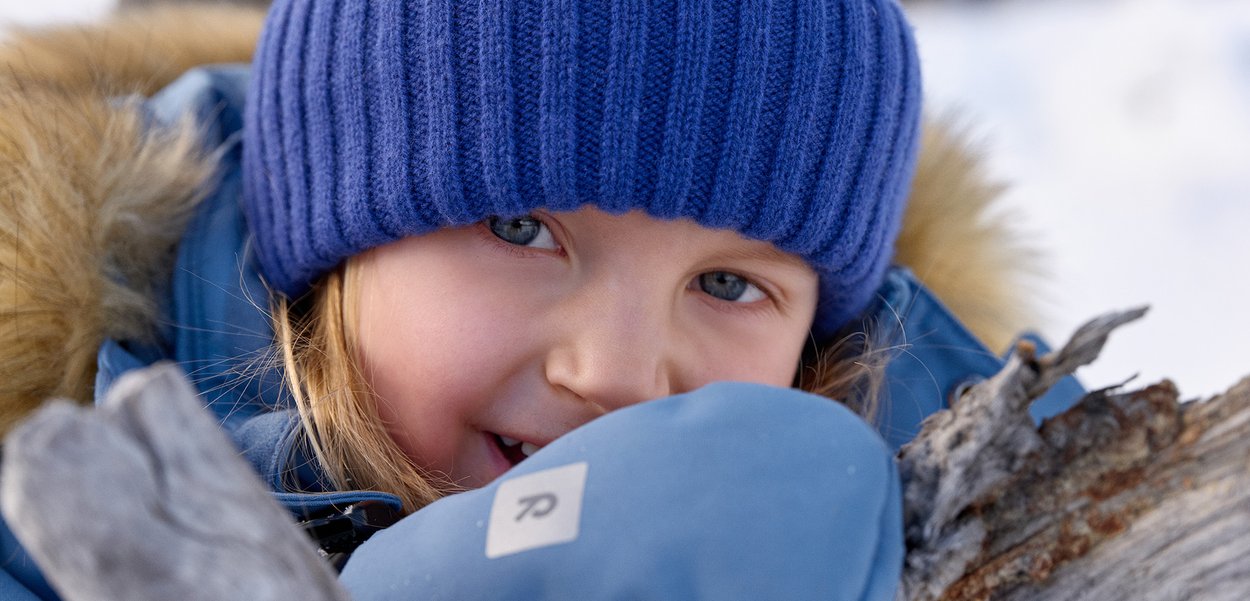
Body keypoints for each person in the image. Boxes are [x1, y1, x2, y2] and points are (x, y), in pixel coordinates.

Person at [0, 0, 1083, 599]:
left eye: (726, 284)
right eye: (521, 229)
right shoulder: (34, 490)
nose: (613, 372)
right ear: (322, 244)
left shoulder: (954, 502)